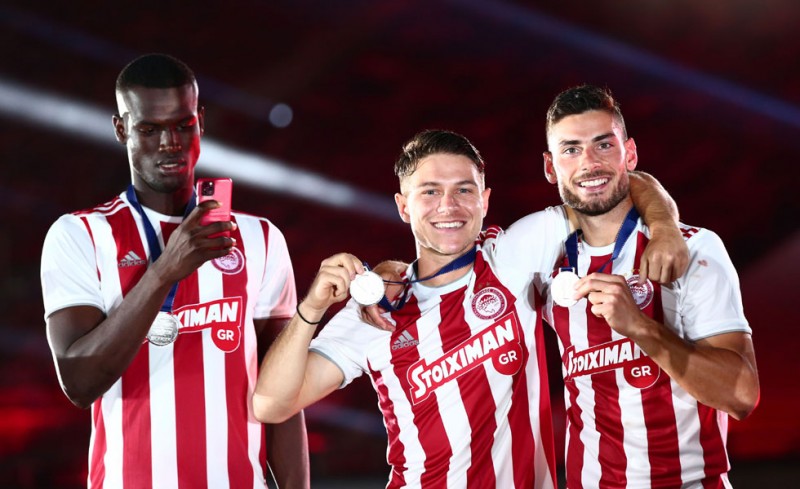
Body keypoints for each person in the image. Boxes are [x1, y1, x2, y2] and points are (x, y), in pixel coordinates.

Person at [252, 129, 686, 488]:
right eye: (430, 192)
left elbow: (616, 186)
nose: (449, 206)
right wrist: (312, 308)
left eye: (464, 189)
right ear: (403, 206)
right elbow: (271, 406)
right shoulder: (377, 307)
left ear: (485, 199)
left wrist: (666, 228)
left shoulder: (512, 258)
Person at [40, 53, 309, 488]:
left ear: (200, 122)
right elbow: (79, 382)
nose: (169, 143)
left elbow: (282, 393)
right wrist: (164, 271)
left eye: (182, 125)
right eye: (149, 129)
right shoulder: (80, 235)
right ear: (121, 129)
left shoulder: (260, 238)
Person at [541, 84, 759, 488]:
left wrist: (642, 328)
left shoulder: (694, 247)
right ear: (551, 167)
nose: (589, 162)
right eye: (571, 149)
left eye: (604, 145)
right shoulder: (541, 261)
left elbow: (741, 396)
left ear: (630, 153)